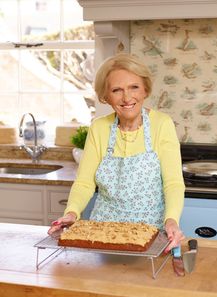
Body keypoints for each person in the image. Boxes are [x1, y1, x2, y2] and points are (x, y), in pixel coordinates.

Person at [48, 53, 185, 252]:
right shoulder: (99, 127)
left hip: (151, 233)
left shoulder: (161, 124)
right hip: (102, 233)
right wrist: (71, 213)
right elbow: (85, 182)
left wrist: (171, 221)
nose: (127, 97)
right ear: (106, 96)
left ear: (145, 89)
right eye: (117, 90)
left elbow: (173, 183)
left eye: (134, 87)